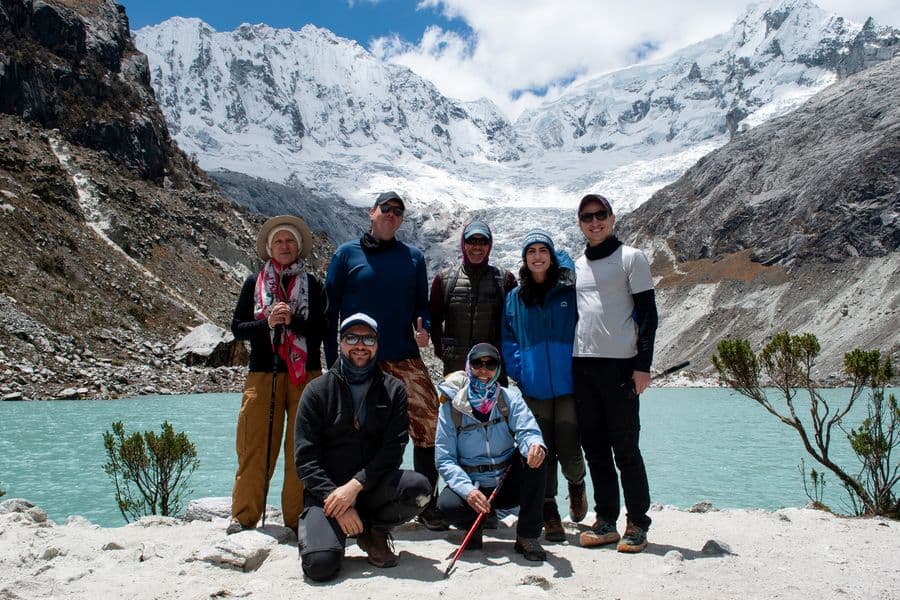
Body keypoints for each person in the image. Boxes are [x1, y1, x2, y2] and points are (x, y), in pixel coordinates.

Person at [325, 191, 444, 529]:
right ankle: (354, 500)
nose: (392, 214)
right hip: (358, 359)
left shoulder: (413, 257)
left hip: (404, 355)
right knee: (356, 430)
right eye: (386, 209)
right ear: (371, 213)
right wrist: (333, 362)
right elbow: (329, 310)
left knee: (429, 425)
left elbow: (422, 306)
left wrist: (426, 331)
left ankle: (427, 502)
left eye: (398, 211)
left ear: (402, 220)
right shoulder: (347, 254)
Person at [295, 313, 432, 581]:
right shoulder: (316, 391)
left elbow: (394, 448)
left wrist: (355, 486)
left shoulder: (394, 390)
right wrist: (339, 501)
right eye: (352, 338)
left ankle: (374, 531)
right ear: (341, 343)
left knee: (420, 489)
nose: (360, 345)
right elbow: (305, 459)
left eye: (368, 338)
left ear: (377, 344)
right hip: (328, 495)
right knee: (320, 566)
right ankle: (330, 532)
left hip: (371, 489)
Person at [228, 215, 327, 535]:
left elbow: (322, 330)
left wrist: (293, 321)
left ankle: (297, 517)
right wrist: (267, 323)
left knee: (302, 447)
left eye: (290, 242)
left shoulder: (313, 285)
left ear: (298, 248)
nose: (284, 246)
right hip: (262, 374)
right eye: (279, 242)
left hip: (306, 375)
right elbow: (237, 328)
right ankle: (244, 516)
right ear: (269, 248)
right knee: (254, 445)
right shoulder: (252, 283)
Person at [572, 193, 658, 554]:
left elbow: (649, 314)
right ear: (580, 222)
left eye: (600, 215)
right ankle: (606, 518)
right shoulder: (577, 264)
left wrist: (643, 365)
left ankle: (637, 521)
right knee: (594, 449)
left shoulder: (631, 258)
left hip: (620, 366)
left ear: (612, 217)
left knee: (625, 448)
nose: (595, 222)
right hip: (583, 364)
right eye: (587, 217)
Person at [502, 228, 588, 543]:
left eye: (543, 250)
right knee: (542, 449)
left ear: (551, 256)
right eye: (531, 251)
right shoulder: (514, 298)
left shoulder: (568, 292)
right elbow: (508, 338)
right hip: (533, 385)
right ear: (524, 258)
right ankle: (549, 509)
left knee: (569, 443)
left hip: (568, 383)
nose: (537, 256)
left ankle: (576, 484)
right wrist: (519, 371)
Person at [434, 343, 549, 562]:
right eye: (477, 363)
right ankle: (474, 527)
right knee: (447, 505)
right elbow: (445, 458)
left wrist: (534, 445)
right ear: (469, 366)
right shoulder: (450, 407)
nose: (484, 370)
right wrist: (468, 491)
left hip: (505, 483)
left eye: (491, 364)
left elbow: (528, 431)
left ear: (498, 368)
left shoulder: (509, 398)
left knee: (538, 457)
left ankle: (527, 536)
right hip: (473, 484)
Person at [429, 220, 517, 380]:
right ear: (463, 243)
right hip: (455, 370)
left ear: (489, 245)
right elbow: (434, 321)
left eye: (483, 241)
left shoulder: (505, 280)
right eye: (472, 241)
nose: (477, 247)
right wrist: (443, 352)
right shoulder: (444, 279)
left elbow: (514, 326)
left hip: (491, 369)